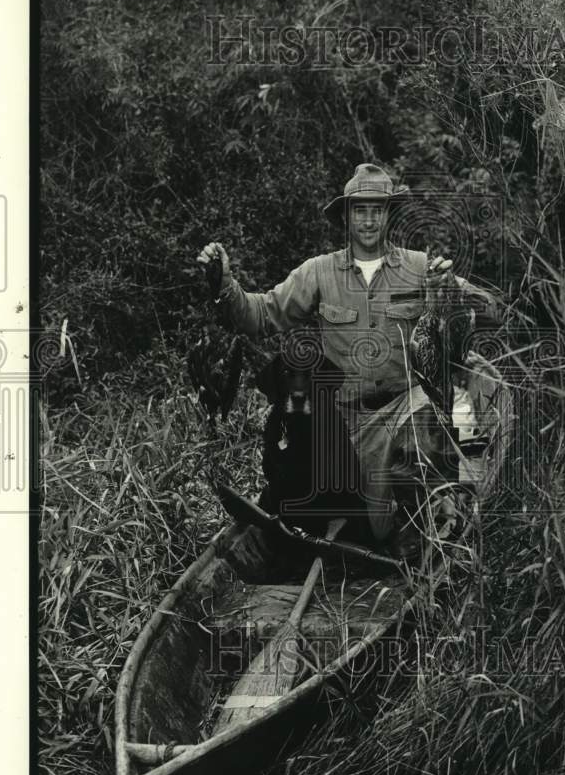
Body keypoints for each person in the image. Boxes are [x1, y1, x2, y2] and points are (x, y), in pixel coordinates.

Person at [197, 163, 501, 542]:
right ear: (346, 216)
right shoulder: (319, 272)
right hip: (344, 425)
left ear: (390, 214)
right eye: (360, 210)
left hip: (405, 409)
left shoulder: (421, 267)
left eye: (378, 209)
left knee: (455, 394)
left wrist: (452, 292)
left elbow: (490, 311)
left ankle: (443, 517)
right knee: (358, 523)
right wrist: (226, 286)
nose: (369, 220)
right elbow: (261, 315)